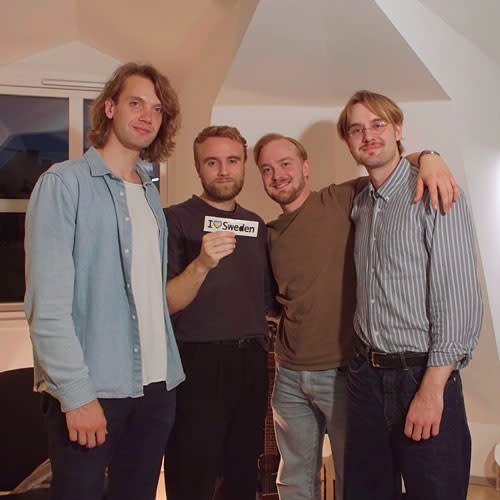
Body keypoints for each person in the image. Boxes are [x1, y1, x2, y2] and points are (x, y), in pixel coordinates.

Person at [253, 132, 458, 500]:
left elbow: (390, 166)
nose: (277, 175)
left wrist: (430, 156)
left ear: (305, 167)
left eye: (285, 164)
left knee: (357, 478)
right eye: (267, 169)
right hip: (289, 377)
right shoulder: (269, 236)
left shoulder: (342, 198)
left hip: (343, 375)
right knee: (294, 479)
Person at [24, 62, 184, 500]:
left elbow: (148, 296)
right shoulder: (63, 184)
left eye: (157, 109)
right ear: (110, 107)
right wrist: (77, 396)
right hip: (94, 389)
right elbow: (46, 307)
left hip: (157, 388)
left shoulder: (149, 192)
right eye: (136, 103)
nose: (147, 116)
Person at [337, 90, 483, 500]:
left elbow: (459, 299)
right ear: (348, 142)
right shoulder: (361, 204)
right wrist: (427, 155)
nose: (368, 136)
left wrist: (432, 389)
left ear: (398, 129)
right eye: (356, 129)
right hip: (365, 378)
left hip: (421, 376)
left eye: (378, 124)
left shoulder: (436, 190)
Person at [163, 125, 275, 500]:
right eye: (212, 162)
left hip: (253, 362)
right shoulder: (173, 220)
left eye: (232, 161)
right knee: (192, 473)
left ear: (244, 165)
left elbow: (266, 299)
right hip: (197, 362)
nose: (224, 170)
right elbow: (163, 302)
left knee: (242, 473)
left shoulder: (256, 225)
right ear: (198, 167)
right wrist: (202, 263)